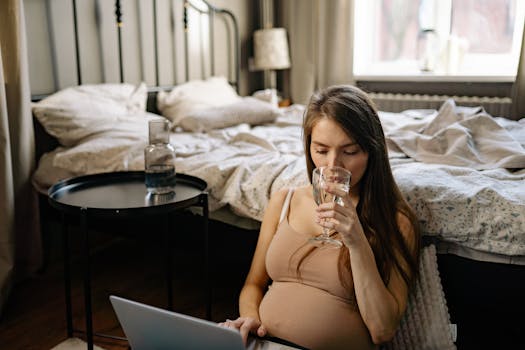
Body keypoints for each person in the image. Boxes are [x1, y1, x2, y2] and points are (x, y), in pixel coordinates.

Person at [220, 85, 421, 349]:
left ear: (372, 151)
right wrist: (250, 322)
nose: (333, 165)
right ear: (308, 147)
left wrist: (357, 240)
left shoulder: (396, 220)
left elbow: (383, 330)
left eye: (349, 152)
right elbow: (253, 285)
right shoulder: (284, 201)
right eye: (322, 150)